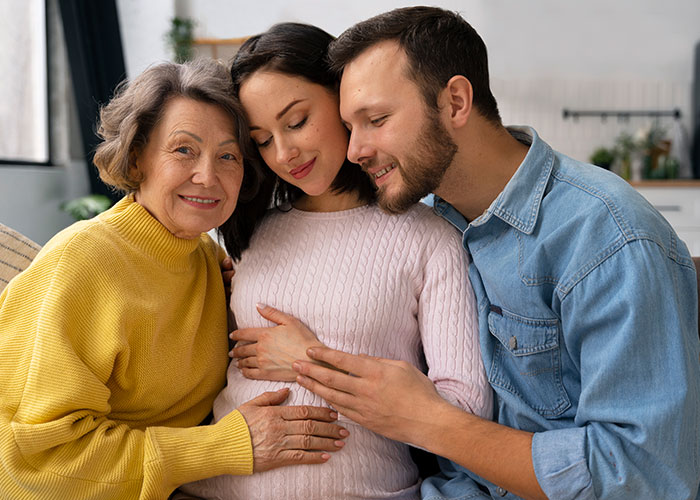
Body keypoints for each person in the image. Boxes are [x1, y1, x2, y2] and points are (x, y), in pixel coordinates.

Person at [250, 6, 700, 500]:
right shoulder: (423, 217)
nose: (355, 150)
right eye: (350, 127)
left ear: (456, 103)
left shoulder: (609, 240)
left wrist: (430, 422)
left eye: (376, 120)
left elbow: (640, 476)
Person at [0, 58, 349, 500]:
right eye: (183, 149)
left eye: (228, 156)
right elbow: (40, 460)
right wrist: (224, 447)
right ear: (136, 157)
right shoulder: (80, 265)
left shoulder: (207, 260)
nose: (207, 176)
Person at [179, 22, 492, 500]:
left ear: (341, 97)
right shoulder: (252, 232)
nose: (284, 154)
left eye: (297, 121)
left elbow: (464, 410)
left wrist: (310, 363)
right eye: (262, 139)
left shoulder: (428, 238)